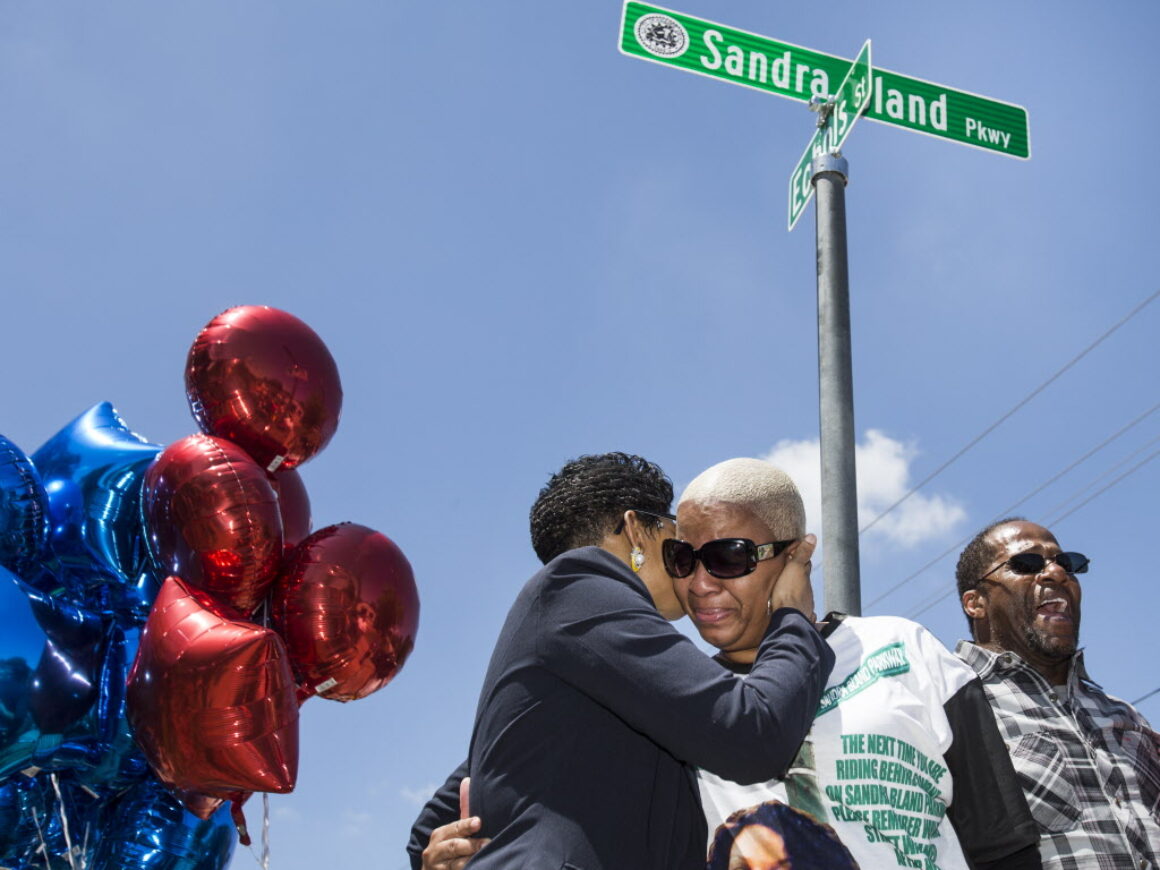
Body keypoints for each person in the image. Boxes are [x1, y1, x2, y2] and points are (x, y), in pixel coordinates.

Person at [407, 452, 834, 870]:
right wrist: (792, 617)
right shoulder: (578, 584)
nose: (692, 570)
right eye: (679, 542)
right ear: (636, 530)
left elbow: (442, 814)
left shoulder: (585, 657)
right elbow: (751, 735)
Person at [677, 459, 1040, 870]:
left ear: (796, 557)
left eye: (727, 557)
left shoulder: (905, 649)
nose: (700, 584)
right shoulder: (680, 698)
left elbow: (1003, 844)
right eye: (682, 559)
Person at [955, 518, 1160, 869]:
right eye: (1027, 563)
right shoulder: (951, 705)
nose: (1055, 573)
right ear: (976, 603)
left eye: (1066, 563)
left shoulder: (1125, 717)